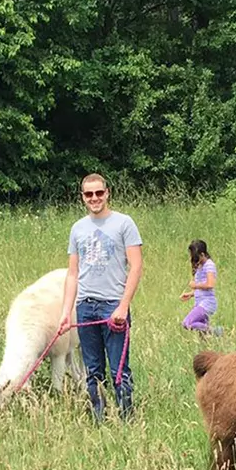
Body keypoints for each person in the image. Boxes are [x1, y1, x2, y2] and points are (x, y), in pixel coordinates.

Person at [58, 173, 142, 421]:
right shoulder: (77, 229)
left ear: (107, 193)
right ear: (82, 197)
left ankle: (127, 418)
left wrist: (123, 306)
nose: (94, 198)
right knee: (93, 369)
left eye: (98, 193)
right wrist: (66, 311)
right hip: (86, 307)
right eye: (88, 194)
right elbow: (73, 273)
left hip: (113, 306)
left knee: (118, 369)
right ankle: (99, 418)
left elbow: (136, 266)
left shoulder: (124, 224)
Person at [181, 240, 218, 335]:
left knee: (187, 323)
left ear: (202, 254)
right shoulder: (200, 266)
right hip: (199, 302)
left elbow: (210, 284)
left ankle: (216, 331)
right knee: (202, 334)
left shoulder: (209, 265)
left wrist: (195, 285)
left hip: (207, 304)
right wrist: (190, 294)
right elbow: (203, 289)